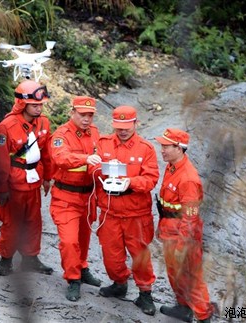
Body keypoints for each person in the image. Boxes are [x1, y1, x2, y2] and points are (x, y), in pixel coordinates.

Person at [92, 105, 159, 316]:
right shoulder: (103, 144)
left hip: (136, 213)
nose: (122, 131)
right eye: (119, 127)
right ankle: (119, 283)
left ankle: (145, 293)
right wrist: (100, 172)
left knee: (140, 255)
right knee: (111, 256)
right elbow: (93, 169)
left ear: (135, 124)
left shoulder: (145, 149)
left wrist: (129, 182)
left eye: (126, 127)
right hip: (110, 210)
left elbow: (151, 179)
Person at [0, 80, 53, 276]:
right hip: (15, 181)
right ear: (22, 104)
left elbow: (47, 152)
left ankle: (30, 258)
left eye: (41, 105)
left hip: (35, 179)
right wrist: (2, 189)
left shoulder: (43, 122)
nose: (38, 109)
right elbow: (0, 161)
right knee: (12, 223)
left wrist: (47, 177)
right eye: (34, 105)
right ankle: (5, 260)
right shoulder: (6, 127)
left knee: (34, 221)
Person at [155, 128, 213, 323]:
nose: (161, 150)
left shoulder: (188, 178)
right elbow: (167, 204)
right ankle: (183, 307)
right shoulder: (172, 167)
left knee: (190, 276)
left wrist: (182, 245)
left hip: (183, 233)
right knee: (174, 272)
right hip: (170, 227)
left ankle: (204, 316)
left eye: (166, 146)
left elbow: (190, 217)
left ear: (179, 148)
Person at [49, 96, 102, 302]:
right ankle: (73, 279)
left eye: (90, 115)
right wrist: (85, 158)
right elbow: (61, 158)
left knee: (83, 238)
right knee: (69, 241)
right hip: (66, 197)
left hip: (88, 196)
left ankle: (82, 266)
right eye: (82, 114)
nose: (87, 119)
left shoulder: (95, 133)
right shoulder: (62, 135)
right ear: (73, 113)